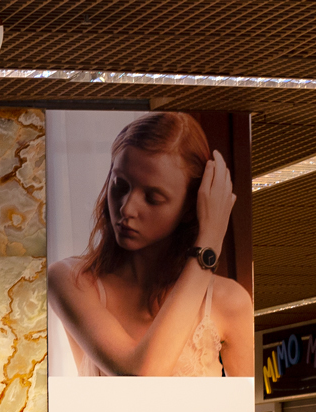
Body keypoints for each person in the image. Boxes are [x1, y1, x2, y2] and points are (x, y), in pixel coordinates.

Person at [49, 112, 254, 378]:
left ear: (190, 207)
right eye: (119, 185)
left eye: (152, 198)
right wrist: (210, 242)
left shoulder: (230, 302)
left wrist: (210, 237)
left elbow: (247, 405)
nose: (127, 208)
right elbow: (141, 375)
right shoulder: (72, 280)